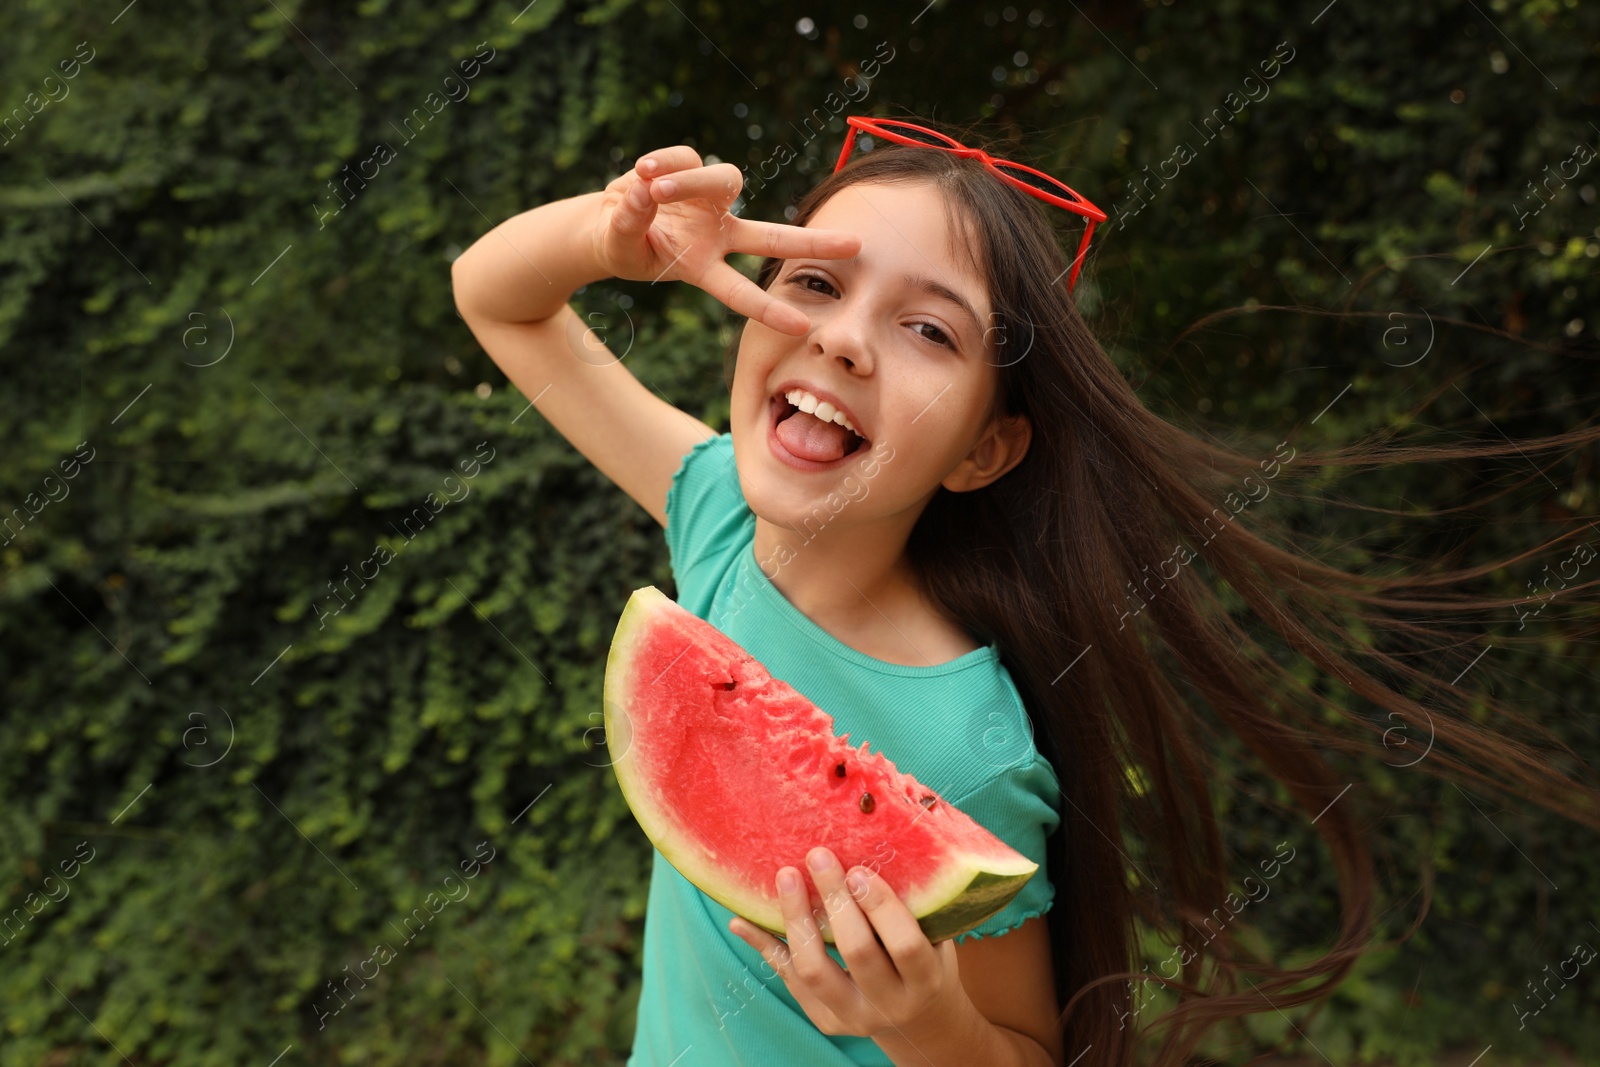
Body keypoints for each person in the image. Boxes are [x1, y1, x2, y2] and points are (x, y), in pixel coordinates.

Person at [450, 112, 1600, 1067]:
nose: (845, 340)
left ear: (983, 451)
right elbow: (495, 295)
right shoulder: (715, 514)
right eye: (812, 281)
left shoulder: (970, 746)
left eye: (926, 329)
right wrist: (614, 236)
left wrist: (929, 1021)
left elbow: (1023, 1050)